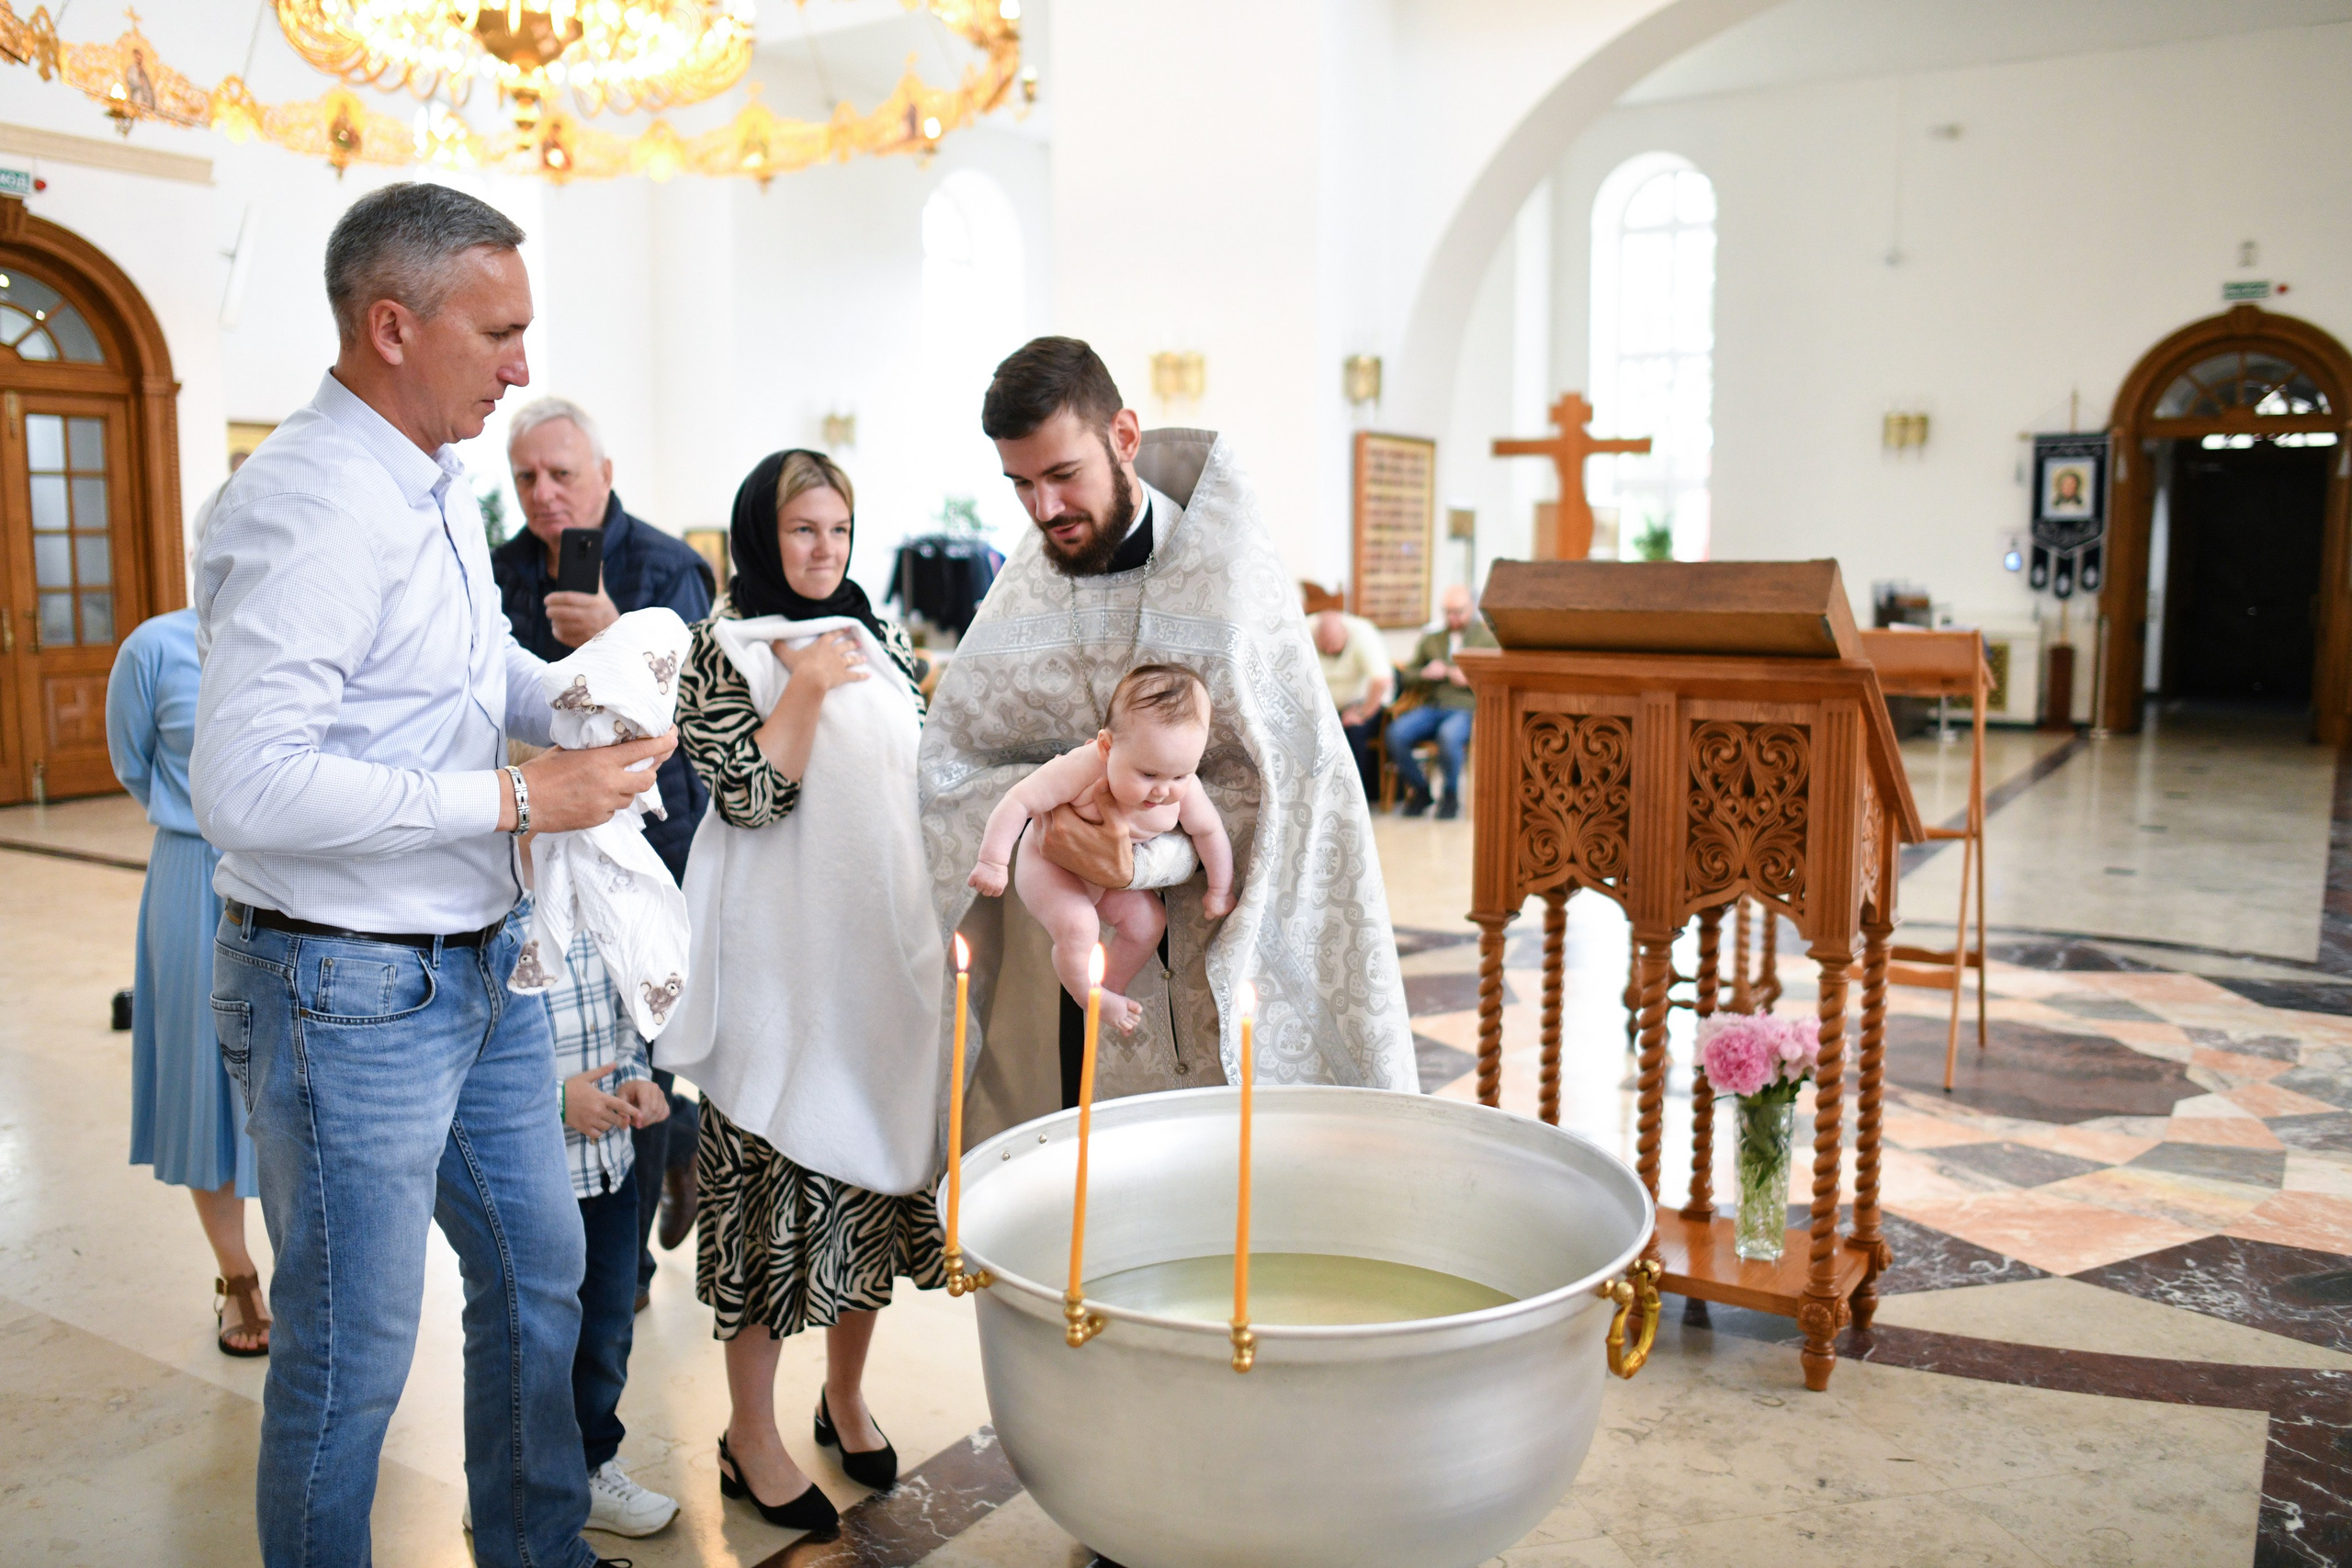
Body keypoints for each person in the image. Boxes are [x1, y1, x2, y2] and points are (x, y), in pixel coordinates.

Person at [195, 181, 673, 1568]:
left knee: (540, 1273)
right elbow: (247, 779)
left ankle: (535, 1545)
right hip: (344, 983)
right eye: (500, 331)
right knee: (350, 1353)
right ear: (393, 325)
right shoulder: (315, 497)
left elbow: (466, 678)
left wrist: (575, 701)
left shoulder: (430, 473)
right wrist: (522, 792)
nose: (524, 366)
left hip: (481, 962)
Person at [919, 336, 1417, 1137]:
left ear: (1123, 436)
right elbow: (955, 766)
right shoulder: (1023, 592)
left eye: (1061, 475)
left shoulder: (1229, 584)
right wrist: (1055, 829)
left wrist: (1148, 851)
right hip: (1071, 991)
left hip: (1204, 978)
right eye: (1020, 485)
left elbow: (1288, 787)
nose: (1043, 510)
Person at [661, 449, 947, 1536]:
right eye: (801, 532)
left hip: (877, 961)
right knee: (771, 1213)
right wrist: (810, 688)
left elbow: (921, 773)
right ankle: (748, 1433)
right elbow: (744, 795)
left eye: (837, 530)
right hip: (779, 967)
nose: (824, 551)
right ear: (758, 536)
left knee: (871, 1189)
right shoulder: (719, 647)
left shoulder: (876, 637)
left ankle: (844, 1395)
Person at [491, 395, 710, 1305]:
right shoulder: (494, 570)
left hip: (650, 838)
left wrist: (618, 630)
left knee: (637, 1045)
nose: (543, 494)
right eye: (526, 478)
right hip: (532, 842)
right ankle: (570, 1222)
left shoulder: (668, 565)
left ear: (605, 475)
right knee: (549, 1037)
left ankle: (630, 1240)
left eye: (562, 474)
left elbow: (699, 711)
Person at [106, 600, 266, 1357]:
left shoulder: (300, 625)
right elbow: (132, 763)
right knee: (207, 1078)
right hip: (189, 866)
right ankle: (237, 1276)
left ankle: (312, 1273)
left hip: (286, 866)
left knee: (295, 1075)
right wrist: (193, 818)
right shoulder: (152, 648)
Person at [969, 663, 1237, 1032]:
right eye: (1148, 775)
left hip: (1107, 875)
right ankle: (1089, 995)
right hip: (1051, 867)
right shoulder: (1084, 766)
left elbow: (1209, 833)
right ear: (1107, 747)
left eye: (1180, 775)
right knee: (1080, 926)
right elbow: (1019, 801)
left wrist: (1220, 889)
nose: (1163, 790)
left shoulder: (1183, 790)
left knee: (1148, 922)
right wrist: (993, 861)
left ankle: (1110, 986)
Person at [539, 930, 678, 1538]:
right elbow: (467, 1046)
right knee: (529, 1340)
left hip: (610, 1168)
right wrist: (554, 1100)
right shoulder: (492, 905)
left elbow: (627, 1010)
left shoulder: (595, 899)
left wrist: (634, 1076)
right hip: (534, 1173)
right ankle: (510, 1483)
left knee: (606, 1328)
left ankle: (592, 1466)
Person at [1387, 583, 1493, 819]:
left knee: (1449, 735)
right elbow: (1406, 675)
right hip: (1432, 705)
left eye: (1458, 611)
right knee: (1396, 733)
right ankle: (1421, 790)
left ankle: (1450, 795)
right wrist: (1425, 672)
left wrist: (1469, 679)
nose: (1453, 618)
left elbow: (1497, 679)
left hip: (1464, 708)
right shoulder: (1432, 640)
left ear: (1471, 608)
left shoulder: (1485, 639)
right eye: (1448, 612)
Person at [1312, 606, 1392, 798]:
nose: (1330, 650)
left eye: (1335, 646)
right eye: (1325, 647)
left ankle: (1355, 797)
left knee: (1354, 733)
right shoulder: (1304, 629)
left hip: (1361, 704)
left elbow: (1381, 680)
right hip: (1320, 708)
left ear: (1345, 634)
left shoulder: (1363, 633)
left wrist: (1362, 713)